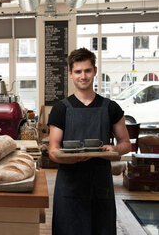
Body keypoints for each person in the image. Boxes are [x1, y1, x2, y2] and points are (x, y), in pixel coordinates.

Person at [47, 48, 131, 235]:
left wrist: (114, 149)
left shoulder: (111, 108)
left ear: (94, 71)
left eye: (87, 70)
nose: (83, 76)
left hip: (100, 187)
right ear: (70, 74)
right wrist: (69, 159)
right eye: (78, 71)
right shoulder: (61, 109)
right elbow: (53, 150)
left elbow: (126, 144)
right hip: (69, 187)